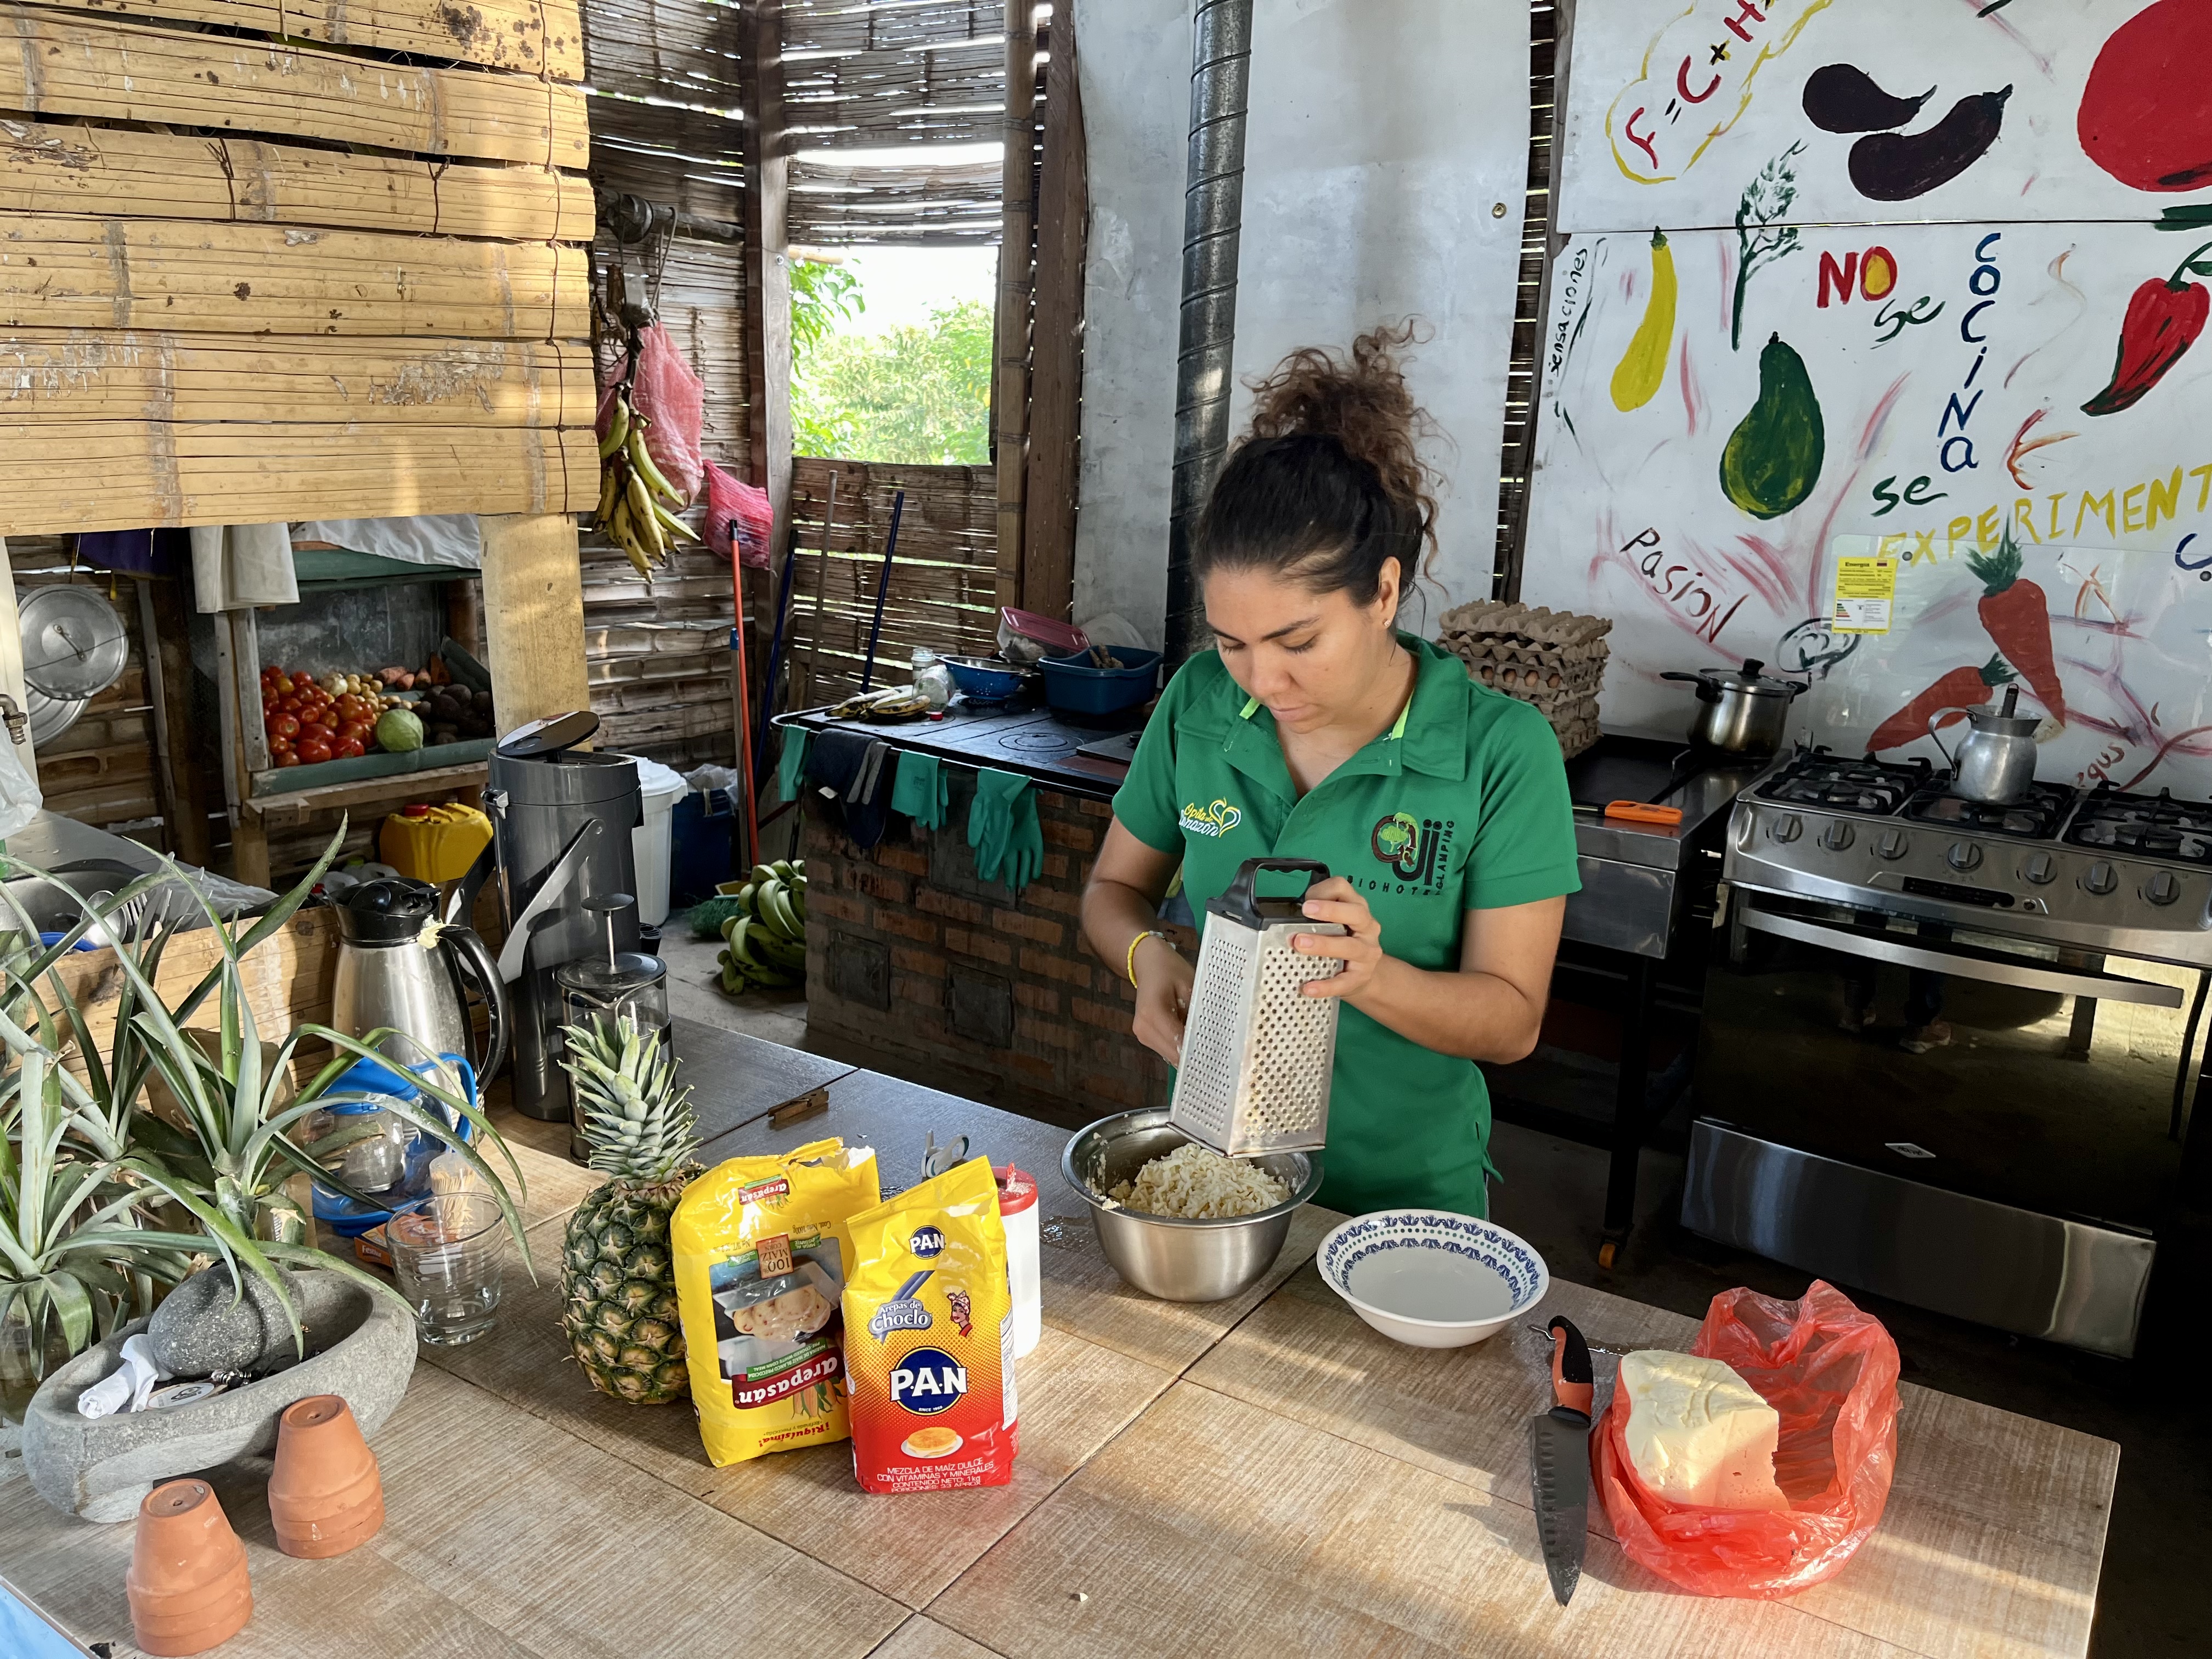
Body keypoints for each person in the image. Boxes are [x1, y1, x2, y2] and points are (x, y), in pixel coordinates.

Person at [1080, 326, 1581, 1218]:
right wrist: (1145, 956)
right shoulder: (1199, 704)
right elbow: (1114, 889)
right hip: (1216, 1178)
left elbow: (1512, 1023)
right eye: (1232, 643)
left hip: (1402, 1202)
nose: (1264, 682)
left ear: (1383, 592)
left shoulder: (1500, 753)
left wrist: (1373, 976)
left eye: (1298, 641)